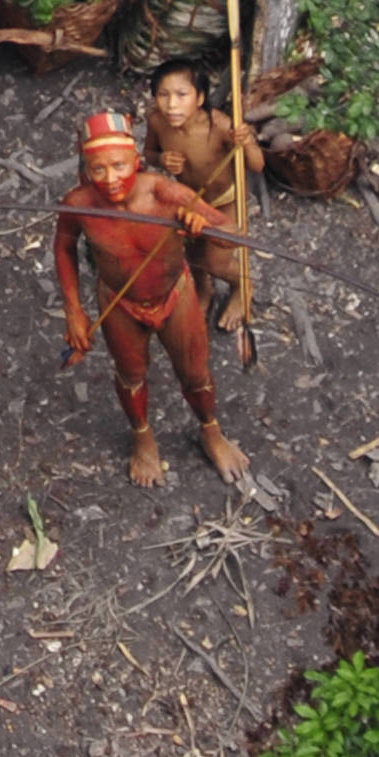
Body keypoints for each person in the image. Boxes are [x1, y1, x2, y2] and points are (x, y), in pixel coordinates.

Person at [55, 111, 250, 487]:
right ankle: (142, 437)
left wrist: (203, 225)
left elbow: (232, 233)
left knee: (195, 374)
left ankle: (210, 430)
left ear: (136, 161)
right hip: (120, 303)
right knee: (130, 376)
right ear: (85, 170)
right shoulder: (78, 204)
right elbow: (63, 248)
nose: (110, 180)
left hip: (173, 294)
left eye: (119, 166)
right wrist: (73, 311)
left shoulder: (165, 193)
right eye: (98, 170)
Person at [143, 59, 264, 331]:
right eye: (163, 95)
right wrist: (162, 159)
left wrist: (245, 144)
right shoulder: (157, 122)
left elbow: (257, 165)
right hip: (189, 201)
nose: (171, 105)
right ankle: (203, 290)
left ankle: (242, 286)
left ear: (199, 98)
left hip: (226, 202)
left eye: (181, 95)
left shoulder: (220, 127)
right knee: (193, 254)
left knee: (216, 260)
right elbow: (148, 154)